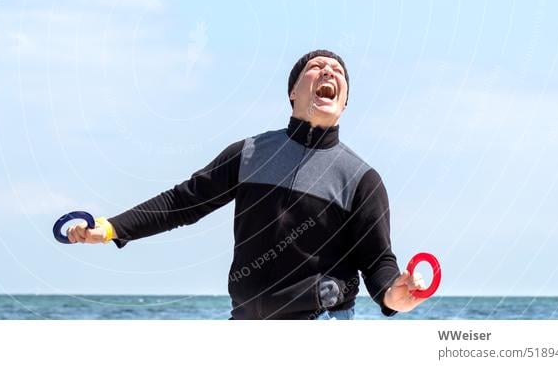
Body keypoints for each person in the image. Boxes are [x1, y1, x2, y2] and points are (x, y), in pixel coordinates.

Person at [67, 49, 427, 319]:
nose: (327, 71)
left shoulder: (361, 179)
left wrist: (392, 294)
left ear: (344, 103)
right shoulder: (250, 154)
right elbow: (183, 202)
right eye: (315, 67)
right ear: (292, 93)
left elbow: (377, 259)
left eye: (336, 71)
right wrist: (112, 228)